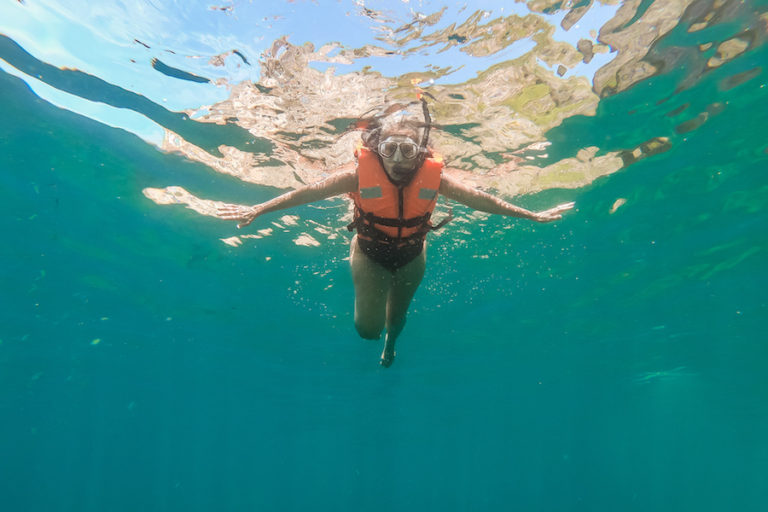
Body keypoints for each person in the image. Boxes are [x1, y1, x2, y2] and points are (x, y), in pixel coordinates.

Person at [218, 101, 574, 367]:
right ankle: (379, 340)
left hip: (412, 256)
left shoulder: (438, 180)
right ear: (377, 149)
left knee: (396, 318)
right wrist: (257, 209)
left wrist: (531, 215)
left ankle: (392, 346)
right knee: (366, 330)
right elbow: (306, 192)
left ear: (420, 154)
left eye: (408, 150)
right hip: (369, 254)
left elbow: (484, 200)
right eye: (389, 149)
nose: (398, 159)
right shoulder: (355, 177)